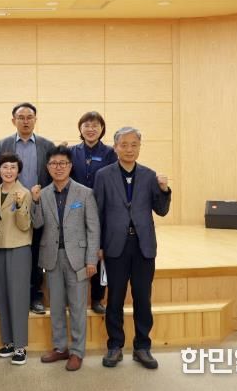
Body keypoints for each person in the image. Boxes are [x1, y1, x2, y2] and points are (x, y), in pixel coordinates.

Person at [94, 127, 171, 370]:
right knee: (115, 298)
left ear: (140, 147)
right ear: (115, 147)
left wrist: (164, 190)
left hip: (143, 246)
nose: (129, 149)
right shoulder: (103, 175)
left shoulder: (149, 176)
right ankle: (115, 346)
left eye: (134, 145)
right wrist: (98, 245)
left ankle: (142, 346)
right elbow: (97, 213)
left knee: (143, 298)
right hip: (115, 245)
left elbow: (161, 210)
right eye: (124, 145)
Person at [31, 145, 100, 371]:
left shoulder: (85, 193)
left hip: (78, 259)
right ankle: (60, 348)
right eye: (54, 164)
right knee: (56, 306)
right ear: (48, 167)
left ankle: (77, 351)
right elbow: (37, 224)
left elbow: (93, 229)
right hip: (52, 257)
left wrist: (91, 260)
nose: (58, 167)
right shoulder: (43, 194)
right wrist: (35, 202)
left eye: (63, 163)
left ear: (70, 166)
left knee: (78, 307)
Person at [0, 102, 55, 315]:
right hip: (9, 207)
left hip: (37, 204)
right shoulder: (3, 143)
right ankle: (8, 295)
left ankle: (35, 294)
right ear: (14, 121)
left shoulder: (47, 145)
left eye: (30, 117)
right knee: (13, 253)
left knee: (36, 250)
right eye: (21, 117)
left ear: (35, 120)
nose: (26, 121)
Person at [69, 111, 117, 315]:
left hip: (101, 208)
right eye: (86, 125)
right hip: (75, 208)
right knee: (75, 251)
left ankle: (97, 298)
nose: (91, 129)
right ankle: (74, 297)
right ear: (80, 128)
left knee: (98, 252)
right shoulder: (71, 152)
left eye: (95, 125)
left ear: (102, 129)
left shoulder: (110, 153)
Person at [0, 153, 32, 365]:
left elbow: (24, 226)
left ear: (18, 171)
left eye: (13, 167)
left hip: (18, 247)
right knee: (4, 296)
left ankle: (20, 346)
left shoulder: (24, 193)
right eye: (5, 167)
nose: (8, 171)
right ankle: (8, 341)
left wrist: (21, 206)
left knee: (18, 297)